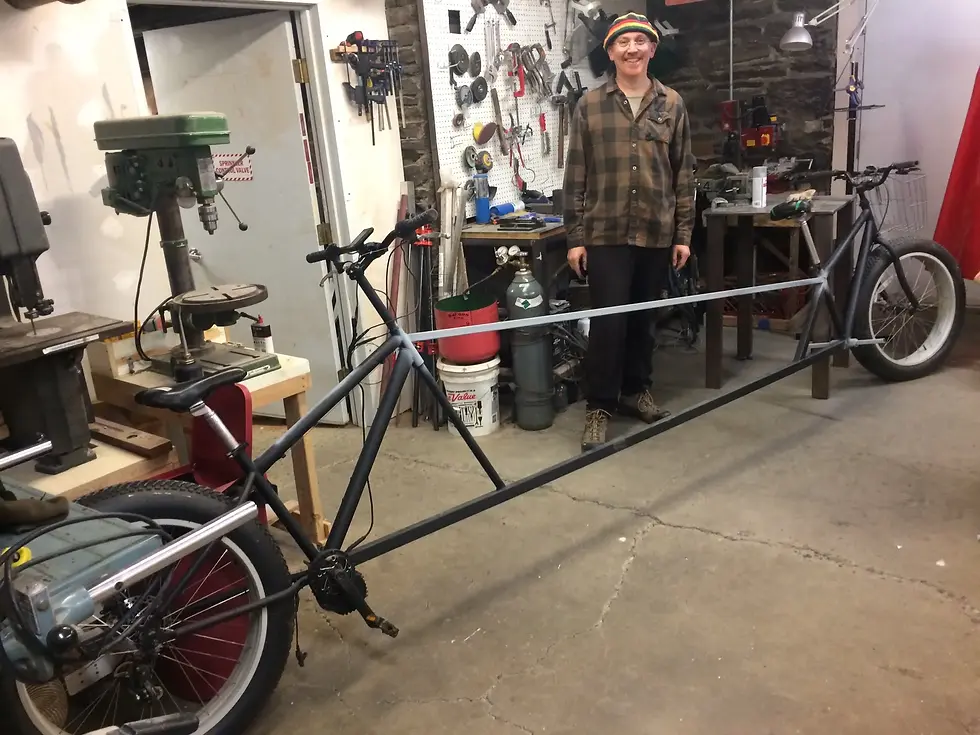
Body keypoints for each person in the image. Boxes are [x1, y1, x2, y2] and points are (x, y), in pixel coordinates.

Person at [562, 11, 696, 451]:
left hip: (656, 232)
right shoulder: (590, 105)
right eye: (624, 42)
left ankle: (637, 389)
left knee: (644, 320)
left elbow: (684, 174)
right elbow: (576, 175)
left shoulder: (672, 104)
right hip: (606, 234)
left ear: (652, 49)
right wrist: (575, 238)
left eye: (641, 41)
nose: (633, 48)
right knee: (608, 324)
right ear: (611, 52)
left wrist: (683, 234)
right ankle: (599, 405)